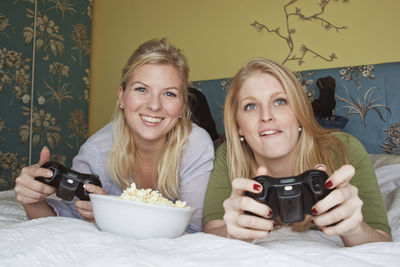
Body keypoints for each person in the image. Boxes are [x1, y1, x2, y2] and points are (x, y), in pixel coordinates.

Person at [14, 38, 214, 233]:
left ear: (182, 106)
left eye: (169, 93)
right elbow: (65, 221)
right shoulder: (96, 151)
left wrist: (113, 215)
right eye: (141, 89)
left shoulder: (196, 145)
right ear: (122, 96)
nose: (154, 105)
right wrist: (32, 201)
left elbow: (193, 231)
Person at [202, 58, 392, 246]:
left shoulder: (344, 150)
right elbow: (212, 231)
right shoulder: (229, 154)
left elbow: (381, 241)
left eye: (280, 101)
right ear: (238, 126)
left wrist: (354, 229)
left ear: (300, 114)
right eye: (250, 106)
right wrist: (232, 233)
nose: (266, 116)